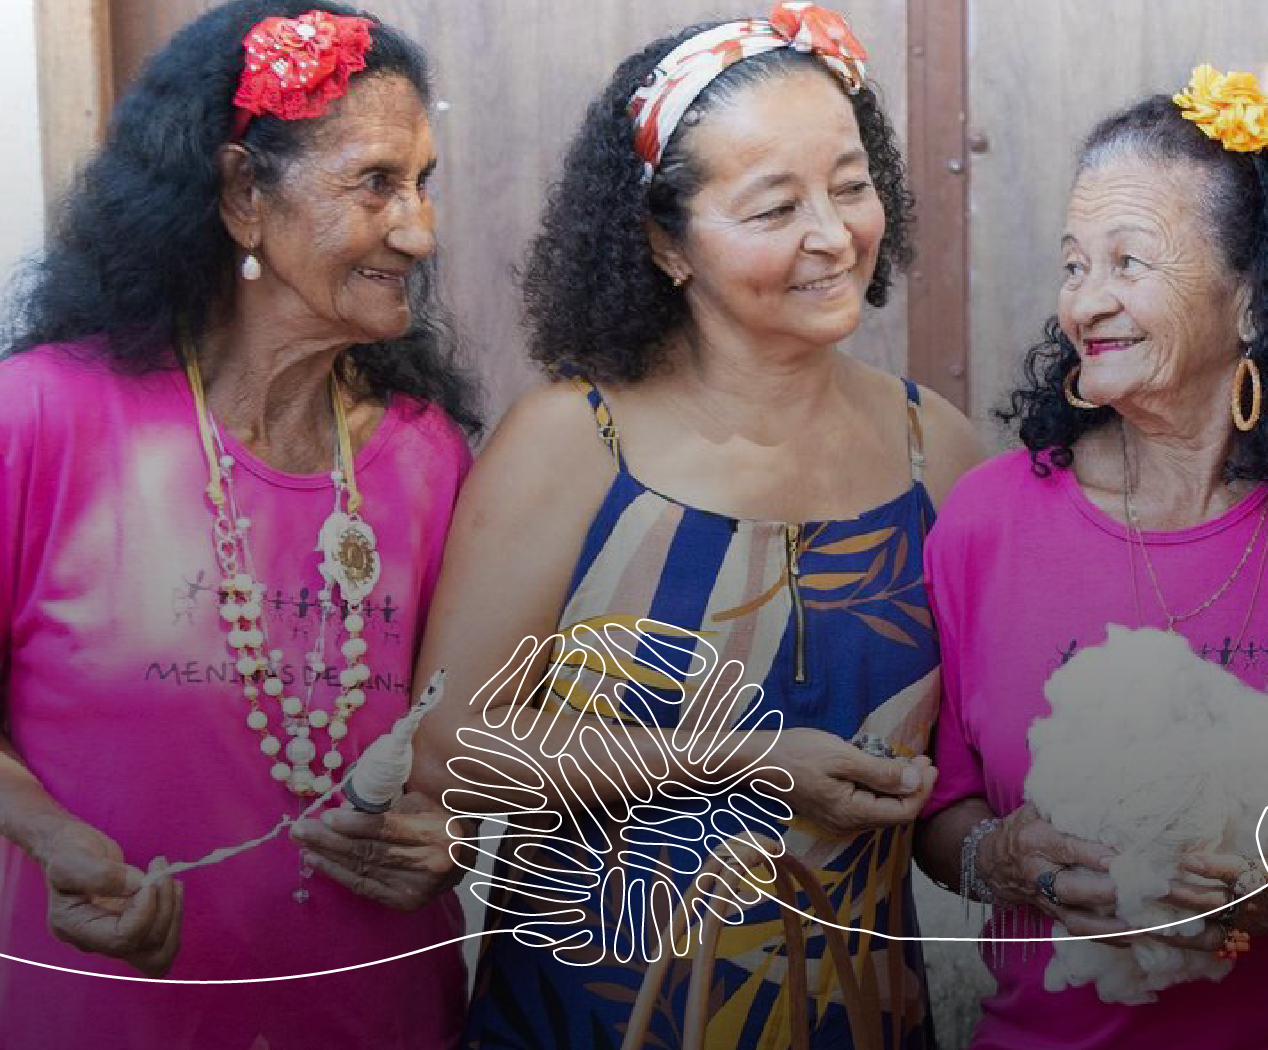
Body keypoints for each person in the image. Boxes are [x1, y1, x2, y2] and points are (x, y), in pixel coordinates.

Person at [406, 5, 982, 1047]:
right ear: (665, 244)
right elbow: (453, 749)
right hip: (592, 1019)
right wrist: (749, 759)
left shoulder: (933, 450)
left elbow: (966, 782)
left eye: (851, 186)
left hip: (861, 1016)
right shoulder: (573, 443)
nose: (831, 234)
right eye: (773, 208)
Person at [914, 67, 1268, 1048]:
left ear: (1253, 300)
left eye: (1128, 261)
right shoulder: (986, 523)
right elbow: (944, 817)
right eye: (1074, 266)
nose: (1085, 304)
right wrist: (1008, 860)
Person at [0, 2, 476, 1046]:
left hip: (383, 1015)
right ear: (241, 193)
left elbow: (470, 732)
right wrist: (47, 835)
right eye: (376, 183)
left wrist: (460, 829)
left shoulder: (429, 456)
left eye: (423, 183)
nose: (419, 229)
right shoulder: (36, 419)